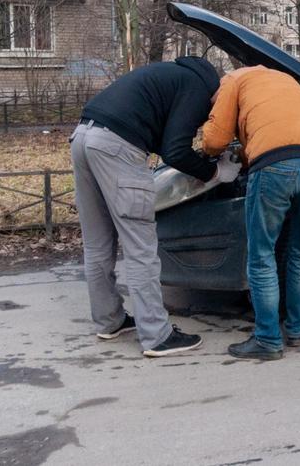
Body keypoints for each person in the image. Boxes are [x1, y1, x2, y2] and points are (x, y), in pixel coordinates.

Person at [71, 56, 240, 357]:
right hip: (117, 148)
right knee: (141, 249)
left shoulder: (170, 76)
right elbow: (176, 150)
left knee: (97, 244)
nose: (211, 116)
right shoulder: (200, 87)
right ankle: (157, 336)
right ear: (221, 92)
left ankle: (110, 321)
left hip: (83, 136)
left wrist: (200, 161)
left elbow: (165, 140)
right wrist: (215, 173)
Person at [201, 65, 300, 360]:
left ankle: (268, 339)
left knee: (262, 256)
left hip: (275, 165)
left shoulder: (232, 81)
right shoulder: (283, 80)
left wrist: (213, 147)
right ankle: (299, 329)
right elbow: (277, 128)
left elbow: (214, 140)